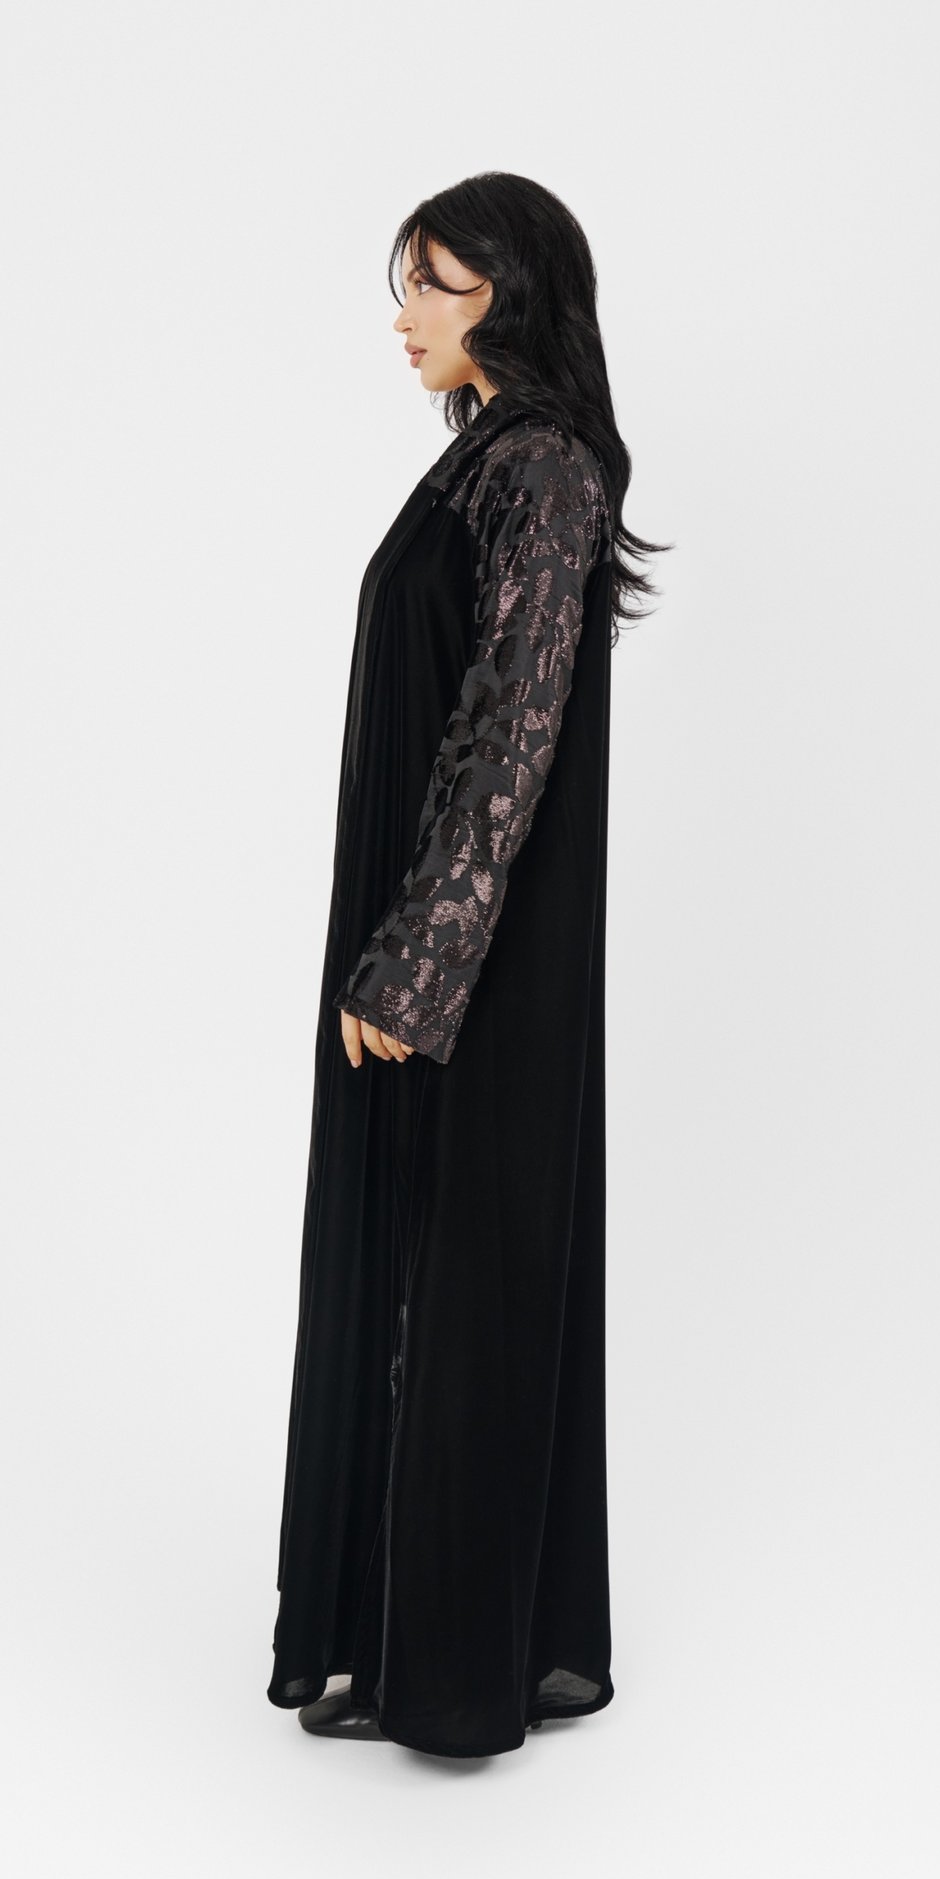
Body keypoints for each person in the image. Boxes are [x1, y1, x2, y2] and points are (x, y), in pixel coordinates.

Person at [266, 172, 668, 1758]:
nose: (405, 314)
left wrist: (416, 967)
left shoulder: (544, 471)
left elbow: (513, 730)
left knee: (468, 1278)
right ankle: (404, 1635)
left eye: (431, 282)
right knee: (427, 1274)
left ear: (506, 292)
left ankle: (451, 1669)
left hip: (474, 962)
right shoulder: (489, 463)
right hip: (441, 940)